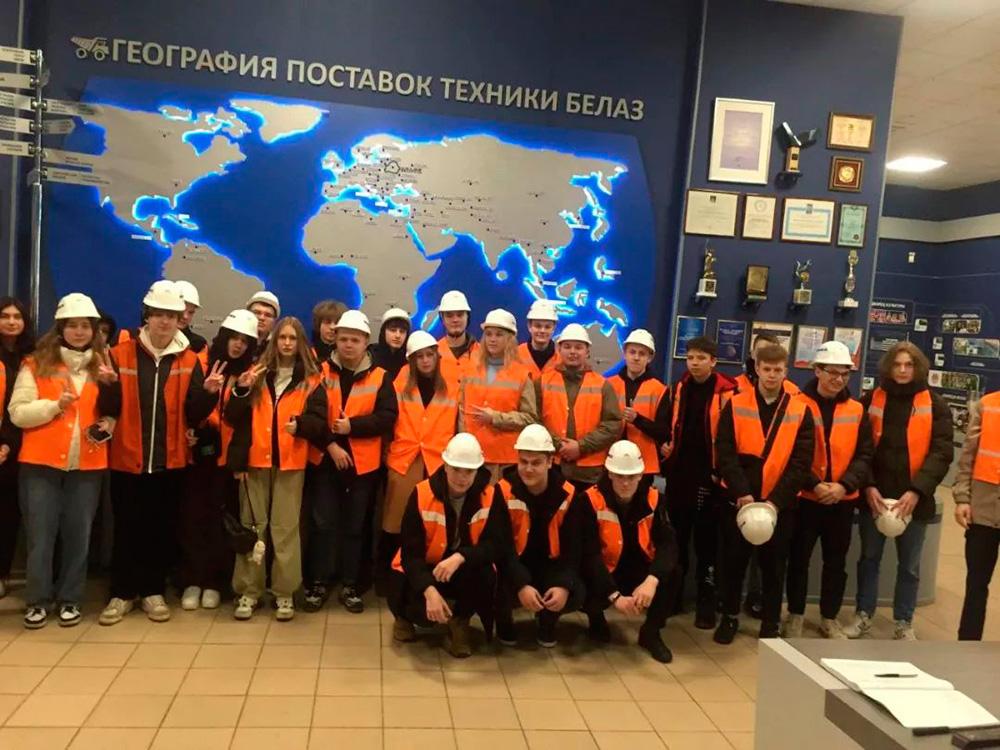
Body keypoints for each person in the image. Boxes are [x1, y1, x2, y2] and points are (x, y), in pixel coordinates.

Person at [99, 281, 220, 626]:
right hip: (127, 458)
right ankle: (122, 593)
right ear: (147, 316)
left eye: (171, 315)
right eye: (158, 315)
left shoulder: (190, 359)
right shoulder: (119, 354)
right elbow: (109, 408)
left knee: (161, 530)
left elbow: (194, 414)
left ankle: (152, 592)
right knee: (126, 528)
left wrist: (209, 394)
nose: (164, 321)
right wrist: (107, 386)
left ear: (180, 319)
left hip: (170, 460)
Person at [9, 293, 120, 628]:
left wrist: (110, 418)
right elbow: (18, 413)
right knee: (40, 538)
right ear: (60, 328)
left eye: (85, 326)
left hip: (87, 465)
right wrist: (55, 406)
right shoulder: (35, 364)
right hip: (40, 465)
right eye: (72, 325)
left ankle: (71, 599)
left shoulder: (104, 365)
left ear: (95, 330)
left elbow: (114, 410)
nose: (79, 332)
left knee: (78, 537)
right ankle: (37, 601)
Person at [846, 342, 951, 640]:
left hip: (914, 501)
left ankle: (904, 622)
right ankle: (863, 615)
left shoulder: (936, 405)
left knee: (909, 567)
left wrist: (917, 491)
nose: (903, 370)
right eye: (897, 364)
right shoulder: (871, 400)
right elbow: (860, 448)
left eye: (909, 365)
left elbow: (942, 452)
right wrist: (868, 486)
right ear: (888, 367)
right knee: (868, 560)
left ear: (918, 367)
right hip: (875, 499)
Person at [225, 317, 327, 621]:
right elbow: (234, 419)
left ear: (300, 343)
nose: (286, 343)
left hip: (290, 463)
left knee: (285, 529)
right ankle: (249, 591)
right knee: (252, 527)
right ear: (274, 341)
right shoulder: (255, 374)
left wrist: (302, 425)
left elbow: (320, 422)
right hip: (255, 462)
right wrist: (241, 390)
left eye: (292, 338)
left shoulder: (311, 380)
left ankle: (284, 592)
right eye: (282, 337)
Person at [713, 343, 814, 643]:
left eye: (777, 370)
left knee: (774, 567)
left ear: (786, 371)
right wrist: (741, 493)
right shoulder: (735, 404)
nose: (771, 375)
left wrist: (775, 502)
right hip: (740, 501)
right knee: (733, 564)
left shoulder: (800, 410)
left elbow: (801, 463)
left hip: (779, 505)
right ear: (756, 369)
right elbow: (725, 452)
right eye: (766, 369)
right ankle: (730, 617)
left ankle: (771, 623)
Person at [304, 310, 398, 614]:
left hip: (363, 466)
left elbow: (387, 417)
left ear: (365, 342)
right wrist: (331, 444)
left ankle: (351, 585)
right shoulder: (319, 371)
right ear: (335, 340)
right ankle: (318, 583)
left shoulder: (381, 376)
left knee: (356, 528)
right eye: (343, 339)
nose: (348, 345)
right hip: (326, 461)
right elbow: (312, 416)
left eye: (354, 340)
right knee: (322, 525)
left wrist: (352, 427)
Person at [389, 433, 509, 657]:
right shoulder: (422, 493)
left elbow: (496, 545)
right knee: (407, 591)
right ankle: (404, 617)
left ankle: (460, 621)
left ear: (478, 470)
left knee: (486, 574)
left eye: (469, 471)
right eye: (456, 469)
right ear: (445, 466)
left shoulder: (491, 495)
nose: (462, 478)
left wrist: (461, 556)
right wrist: (429, 590)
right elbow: (411, 554)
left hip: (461, 565)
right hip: (425, 566)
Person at [784, 342, 873, 639]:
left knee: (836, 563)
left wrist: (843, 486)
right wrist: (814, 484)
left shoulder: (857, 409)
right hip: (806, 498)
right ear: (817, 371)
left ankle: (829, 617)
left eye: (845, 374)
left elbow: (864, 454)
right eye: (833, 372)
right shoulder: (796, 404)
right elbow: (789, 452)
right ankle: (795, 614)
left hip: (842, 500)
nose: (838, 379)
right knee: (798, 560)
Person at [177, 309, 259, 612]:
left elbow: (242, 421)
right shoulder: (201, 363)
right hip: (198, 455)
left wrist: (241, 390)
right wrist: (207, 393)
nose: (237, 345)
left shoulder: (250, 373)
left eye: (244, 341)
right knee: (193, 519)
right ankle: (192, 580)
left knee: (222, 522)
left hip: (228, 460)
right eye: (233, 338)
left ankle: (215, 583)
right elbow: (189, 411)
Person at [660, 335, 737, 628]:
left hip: (711, 479)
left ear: (713, 361)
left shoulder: (729, 392)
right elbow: (666, 426)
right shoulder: (677, 388)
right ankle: (673, 598)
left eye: (701, 358)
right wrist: (665, 447)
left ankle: (706, 603)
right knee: (676, 541)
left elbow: (733, 437)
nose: (694, 363)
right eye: (690, 357)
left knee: (707, 546)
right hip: (679, 476)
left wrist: (722, 471)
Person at [581, 441, 681, 662]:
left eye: (631, 476)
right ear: (609, 474)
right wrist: (615, 597)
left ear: (640, 475)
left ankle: (651, 633)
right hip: (605, 570)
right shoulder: (589, 500)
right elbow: (589, 555)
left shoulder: (655, 499)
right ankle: (596, 619)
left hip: (639, 569)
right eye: (619, 476)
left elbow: (668, 545)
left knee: (673, 573)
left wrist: (652, 580)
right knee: (581, 575)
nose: (625, 483)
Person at [494, 424, 589, 647]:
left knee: (577, 591)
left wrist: (563, 585)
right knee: (490, 580)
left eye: (536, 463)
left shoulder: (569, 494)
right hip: (515, 564)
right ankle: (504, 622)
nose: (528, 469)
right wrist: (521, 584)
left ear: (549, 462)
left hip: (550, 566)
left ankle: (547, 621)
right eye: (523, 462)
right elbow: (501, 547)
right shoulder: (503, 490)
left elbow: (574, 549)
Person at [379, 331, 459, 591]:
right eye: (419, 357)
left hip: (438, 462)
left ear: (437, 356)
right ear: (411, 360)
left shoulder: (452, 385)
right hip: (405, 460)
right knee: (394, 523)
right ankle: (388, 579)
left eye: (429, 355)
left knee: (432, 526)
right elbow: (389, 418)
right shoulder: (399, 382)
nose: (425, 361)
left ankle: (429, 580)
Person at [538, 323, 621, 486]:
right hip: (552, 468)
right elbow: (534, 420)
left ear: (587, 351)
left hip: (589, 472)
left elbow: (613, 424)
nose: (572, 352)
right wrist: (558, 445)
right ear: (559, 349)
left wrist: (581, 447)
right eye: (567, 346)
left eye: (578, 347)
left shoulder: (603, 385)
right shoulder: (542, 382)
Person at [458, 309, 537, 480]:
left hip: (504, 460)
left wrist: (496, 418)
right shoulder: (470, 370)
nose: (492, 339)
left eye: (499, 334)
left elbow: (530, 418)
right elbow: (461, 412)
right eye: (489, 334)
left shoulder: (521, 374)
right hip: (471, 457)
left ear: (510, 339)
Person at [953, 389, 1000, 640]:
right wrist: (962, 498)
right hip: (983, 510)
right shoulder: (987, 405)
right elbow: (968, 456)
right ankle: (968, 644)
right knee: (976, 584)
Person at [0, 296, 33, 598]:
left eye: (17, 317)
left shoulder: (32, 356)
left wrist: (9, 444)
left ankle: (3, 573)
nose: (11, 322)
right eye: (5, 316)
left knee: (9, 513)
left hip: (22, 446)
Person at [608, 329, 669, 476]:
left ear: (649, 358)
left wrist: (638, 420)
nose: (636, 357)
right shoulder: (608, 384)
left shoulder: (659, 389)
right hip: (611, 458)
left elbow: (664, 431)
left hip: (644, 463)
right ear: (625, 354)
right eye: (632, 352)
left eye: (642, 354)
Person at [735, 333, 799, 396]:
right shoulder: (735, 386)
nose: (766, 356)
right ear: (753, 354)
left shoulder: (793, 392)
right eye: (760, 351)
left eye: (772, 352)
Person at [436, 290, 479, 380]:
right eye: (449, 315)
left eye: (460, 315)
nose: (455, 320)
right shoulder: (433, 354)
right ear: (442, 319)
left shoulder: (482, 354)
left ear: (467, 317)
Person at [518, 299, 560, 380]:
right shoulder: (515, 355)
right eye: (538, 326)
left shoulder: (561, 358)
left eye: (547, 327)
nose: (542, 331)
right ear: (529, 326)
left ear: (553, 328)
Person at [370, 307, 411, 382]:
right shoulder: (370, 356)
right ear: (383, 332)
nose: (398, 335)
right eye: (393, 330)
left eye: (402, 331)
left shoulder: (409, 360)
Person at [173, 280, 206, 354]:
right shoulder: (147, 339)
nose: (185, 316)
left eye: (190, 312)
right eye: (182, 310)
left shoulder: (198, 345)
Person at [246, 290, 281, 357]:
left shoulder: (278, 349)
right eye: (257, 312)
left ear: (275, 321)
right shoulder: (231, 341)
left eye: (268, 315)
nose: (261, 318)